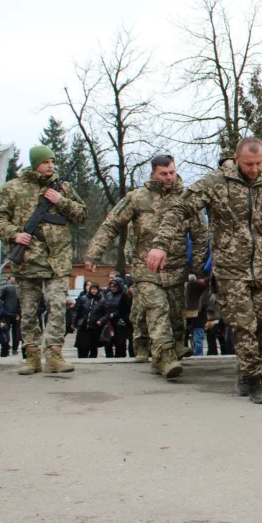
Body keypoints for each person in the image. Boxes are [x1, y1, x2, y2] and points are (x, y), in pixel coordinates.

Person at [148, 139, 262, 404]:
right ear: (236, 159)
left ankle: (247, 373)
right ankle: (257, 381)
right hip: (229, 270)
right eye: (249, 164)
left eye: (260, 164)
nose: (255, 169)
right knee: (244, 325)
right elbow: (180, 208)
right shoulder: (215, 183)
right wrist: (160, 244)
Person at [86, 155, 207, 379]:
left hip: (176, 269)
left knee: (174, 316)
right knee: (157, 310)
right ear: (153, 174)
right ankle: (166, 358)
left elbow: (200, 236)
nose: (169, 177)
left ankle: (161, 358)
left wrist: (199, 269)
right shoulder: (137, 198)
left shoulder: (187, 199)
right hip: (146, 270)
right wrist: (94, 253)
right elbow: (111, 224)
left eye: (172, 172)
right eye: (163, 173)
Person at [0, 145, 87, 375]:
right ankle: (32, 356)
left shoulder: (63, 187)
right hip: (27, 259)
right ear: (35, 164)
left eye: (52, 161)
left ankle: (54, 354)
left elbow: (82, 214)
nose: (51, 165)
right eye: (45, 162)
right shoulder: (12, 189)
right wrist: (14, 234)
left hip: (57, 259)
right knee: (29, 310)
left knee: (57, 306)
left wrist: (61, 201)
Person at [74, 282, 104, 359]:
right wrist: (74, 322)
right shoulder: (83, 298)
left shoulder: (102, 300)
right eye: (92, 289)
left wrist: (101, 320)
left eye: (95, 289)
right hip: (83, 326)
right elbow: (77, 311)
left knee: (93, 347)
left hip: (95, 327)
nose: (94, 291)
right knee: (82, 346)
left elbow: (105, 313)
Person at [0, 276, 21, 355]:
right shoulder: (19, 289)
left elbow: (0, 299)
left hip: (6, 313)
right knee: (16, 332)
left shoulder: (5, 288)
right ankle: (14, 349)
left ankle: (6, 347)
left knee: (6, 331)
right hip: (16, 313)